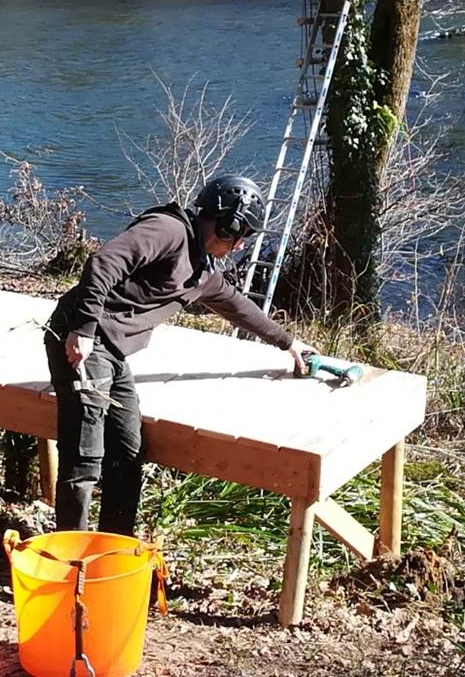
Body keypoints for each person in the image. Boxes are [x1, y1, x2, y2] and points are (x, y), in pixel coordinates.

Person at [43, 174, 317, 536]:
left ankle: (114, 552)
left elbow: (237, 307)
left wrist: (288, 343)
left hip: (113, 351)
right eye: (240, 235)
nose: (238, 246)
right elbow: (103, 262)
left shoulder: (201, 268)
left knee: (127, 452)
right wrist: (83, 329)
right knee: (84, 460)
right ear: (225, 224)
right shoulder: (168, 230)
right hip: (82, 339)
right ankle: (71, 561)